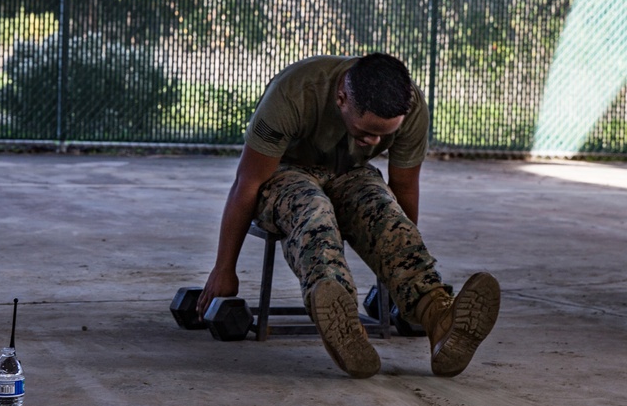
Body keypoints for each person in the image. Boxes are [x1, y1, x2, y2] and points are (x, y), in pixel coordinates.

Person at [197, 53, 501, 379]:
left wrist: (400, 263)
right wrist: (223, 268)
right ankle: (339, 315)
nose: (376, 141)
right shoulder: (293, 94)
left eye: (385, 134)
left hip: (351, 173)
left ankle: (438, 318)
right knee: (314, 212)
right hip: (285, 172)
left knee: (383, 210)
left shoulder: (411, 108)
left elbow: (404, 189)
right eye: (368, 131)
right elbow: (247, 184)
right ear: (341, 98)